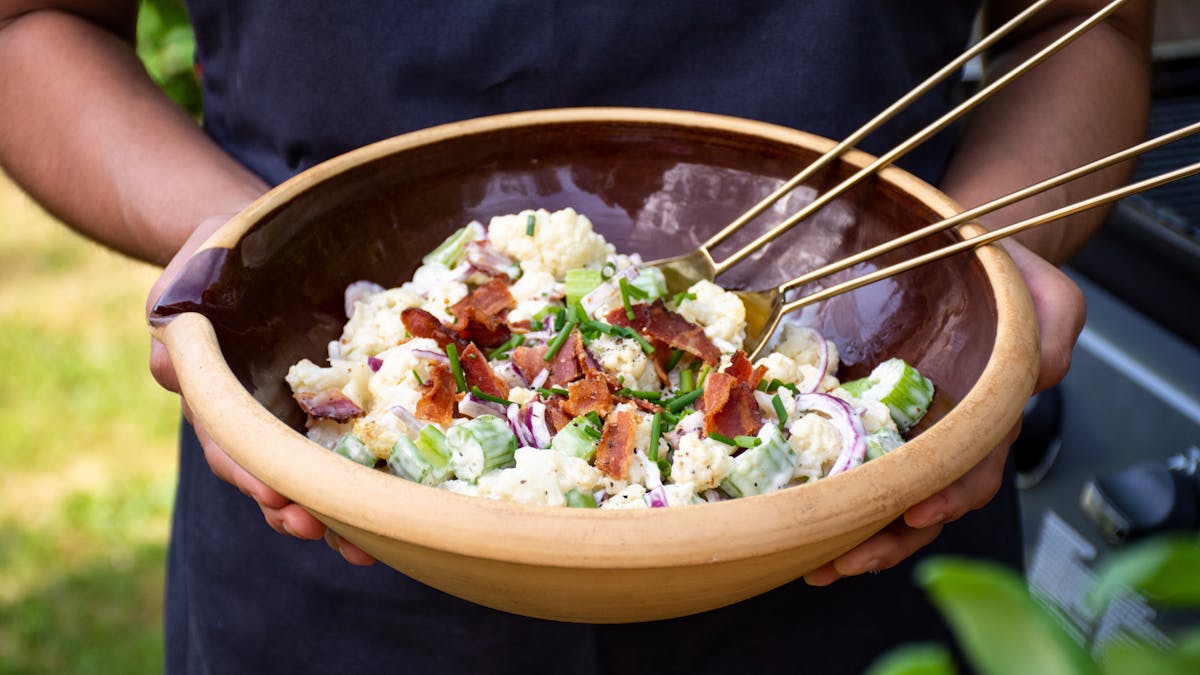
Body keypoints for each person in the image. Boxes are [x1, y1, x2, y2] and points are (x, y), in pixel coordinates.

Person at [0, 1, 1153, 672]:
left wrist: (989, 252)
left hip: (859, 543)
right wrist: (227, 252)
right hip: (329, 571)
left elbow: (1089, 23)